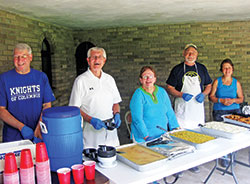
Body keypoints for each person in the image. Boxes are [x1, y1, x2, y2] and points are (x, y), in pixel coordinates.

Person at [166, 43, 212, 173]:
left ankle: (193, 162)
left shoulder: (202, 68)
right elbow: (169, 87)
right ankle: (179, 164)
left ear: (197, 55)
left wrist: (203, 94)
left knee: (196, 134)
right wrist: (181, 94)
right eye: (188, 52)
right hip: (182, 108)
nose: (190, 55)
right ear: (183, 54)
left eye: (193, 53)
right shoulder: (177, 69)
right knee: (180, 135)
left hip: (196, 109)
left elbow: (208, 85)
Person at [0, 43, 55, 143]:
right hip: (13, 137)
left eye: (23, 56)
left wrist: (39, 127)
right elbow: (1, 110)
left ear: (30, 57)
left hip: (37, 134)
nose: (20, 60)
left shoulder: (41, 77)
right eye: (16, 57)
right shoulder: (4, 79)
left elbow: (47, 104)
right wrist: (21, 127)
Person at [69, 47, 122, 149]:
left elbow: (115, 102)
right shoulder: (81, 80)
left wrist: (117, 114)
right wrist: (90, 120)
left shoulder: (109, 79)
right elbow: (74, 108)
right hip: (90, 133)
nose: (97, 60)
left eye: (100, 57)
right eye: (93, 57)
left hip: (110, 132)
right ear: (88, 60)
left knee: (114, 159)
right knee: (93, 161)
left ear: (104, 60)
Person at [130, 66, 180, 143]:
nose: (148, 79)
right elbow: (137, 119)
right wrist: (146, 136)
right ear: (141, 80)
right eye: (145, 77)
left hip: (162, 134)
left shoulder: (162, 92)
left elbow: (169, 111)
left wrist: (175, 128)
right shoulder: (138, 95)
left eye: (150, 76)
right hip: (143, 138)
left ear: (155, 79)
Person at [209, 58, 244, 167]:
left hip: (234, 111)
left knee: (234, 134)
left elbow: (241, 99)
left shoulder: (236, 83)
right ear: (222, 70)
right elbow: (211, 97)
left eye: (229, 67)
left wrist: (233, 100)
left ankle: (232, 155)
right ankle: (223, 156)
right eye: (224, 68)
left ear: (232, 69)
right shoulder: (217, 81)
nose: (227, 70)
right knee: (221, 135)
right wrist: (221, 100)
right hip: (219, 111)